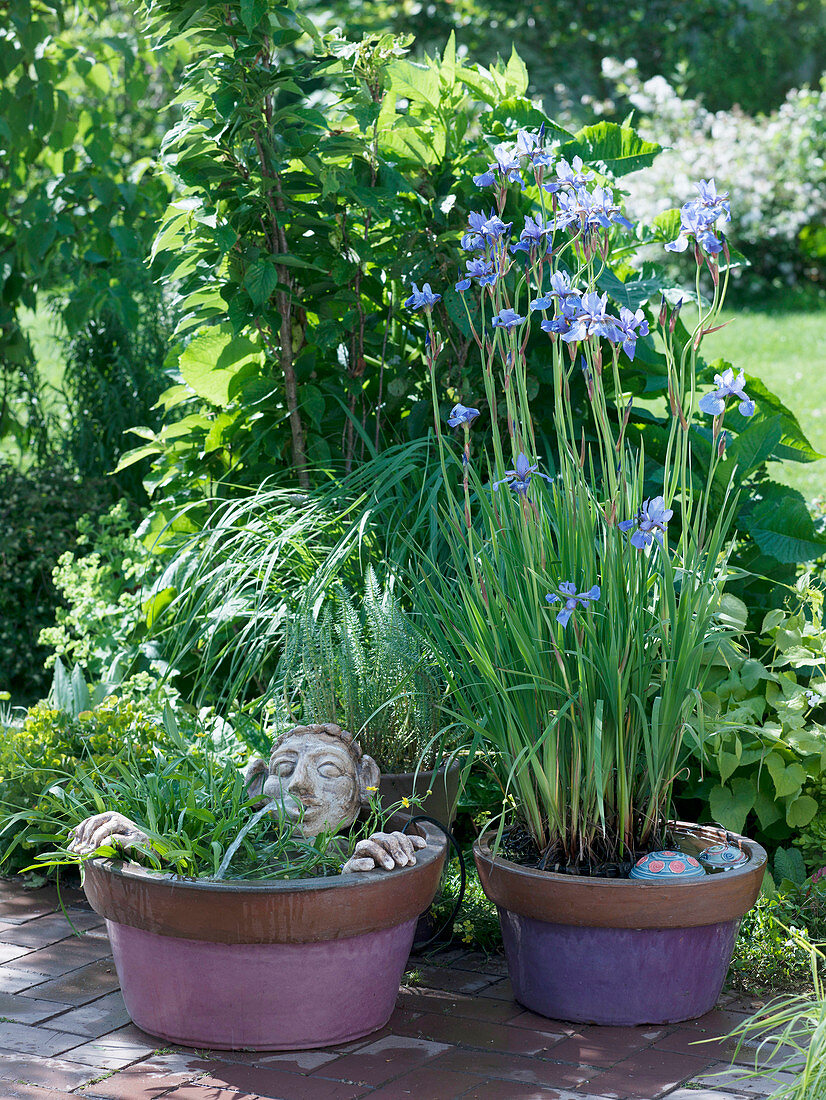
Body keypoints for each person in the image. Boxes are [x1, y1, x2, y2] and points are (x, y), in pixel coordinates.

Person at [67, 722, 426, 874]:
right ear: (256, 786)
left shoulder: (353, 850)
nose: (299, 783)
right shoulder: (232, 848)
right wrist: (149, 844)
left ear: (365, 783)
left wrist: (379, 858)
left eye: (328, 771)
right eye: (283, 769)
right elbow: (199, 875)